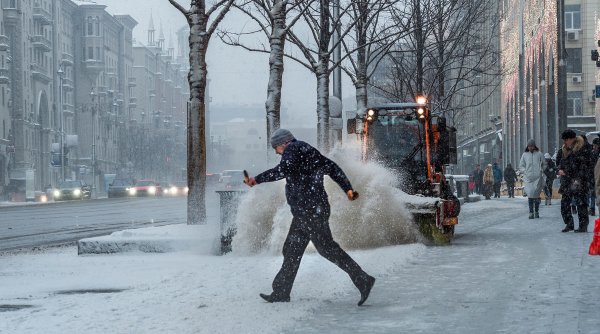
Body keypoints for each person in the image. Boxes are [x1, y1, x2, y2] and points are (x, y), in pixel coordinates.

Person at [244, 128, 375, 306]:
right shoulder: (308, 151)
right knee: (292, 249)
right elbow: (333, 168)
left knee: (326, 248)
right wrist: (348, 189)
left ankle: (362, 279)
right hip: (308, 210)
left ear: (284, 143)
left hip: (310, 210)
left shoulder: (292, 150)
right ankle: (281, 291)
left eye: (276, 147)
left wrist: (256, 180)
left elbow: (282, 170)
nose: (276, 151)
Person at [558, 130, 590, 232]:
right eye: (564, 140)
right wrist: (559, 170)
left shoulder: (582, 149)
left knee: (581, 203)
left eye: (566, 140)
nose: (564, 142)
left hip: (578, 181)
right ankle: (569, 224)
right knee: (565, 204)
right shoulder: (563, 150)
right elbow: (559, 164)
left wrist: (578, 178)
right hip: (566, 181)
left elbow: (584, 166)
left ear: (572, 139)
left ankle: (583, 225)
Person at [519, 139, 546, 219]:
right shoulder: (524, 155)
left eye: (532, 146)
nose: (530, 147)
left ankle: (536, 211)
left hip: (538, 177)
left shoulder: (539, 154)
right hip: (528, 178)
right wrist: (525, 171)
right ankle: (531, 212)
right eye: (529, 146)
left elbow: (544, 164)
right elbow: (521, 166)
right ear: (527, 146)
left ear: (534, 146)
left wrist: (542, 170)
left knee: (536, 195)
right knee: (530, 195)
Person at [588, 138, 600, 216]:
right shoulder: (594, 153)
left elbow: (590, 165)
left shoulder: (593, 154)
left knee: (592, 193)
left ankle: (592, 208)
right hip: (594, 175)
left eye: (594, 145)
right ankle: (592, 208)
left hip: (594, 175)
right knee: (593, 192)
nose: (593, 147)